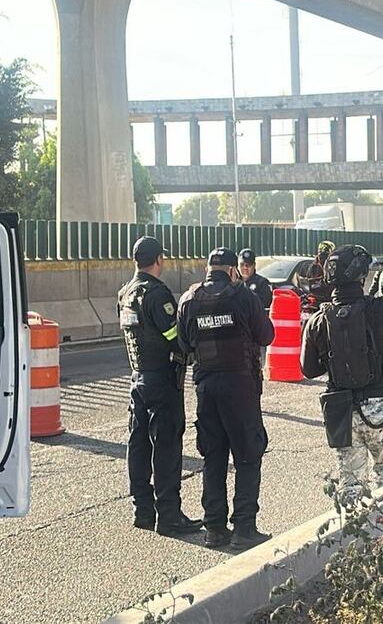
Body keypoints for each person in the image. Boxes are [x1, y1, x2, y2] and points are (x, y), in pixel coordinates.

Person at [300, 244, 383, 503]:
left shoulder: (319, 320)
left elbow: (308, 369)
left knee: (351, 487)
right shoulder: (380, 308)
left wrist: (337, 356)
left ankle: (355, 538)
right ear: (360, 276)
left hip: (342, 412)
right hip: (381, 408)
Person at [177, 247, 275, 551]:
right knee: (248, 454)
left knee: (214, 457)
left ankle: (215, 529)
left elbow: (183, 342)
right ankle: (244, 527)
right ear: (233, 270)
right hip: (240, 387)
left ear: (208, 269)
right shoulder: (244, 296)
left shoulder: (189, 299)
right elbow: (266, 335)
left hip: (206, 388)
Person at [117, 236, 202, 537]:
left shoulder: (125, 293)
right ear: (159, 260)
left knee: (138, 444)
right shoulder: (157, 294)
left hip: (137, 378)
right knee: (166, 446)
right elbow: (174, 336)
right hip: (162, 380)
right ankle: (169, 516)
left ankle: (143, 511)